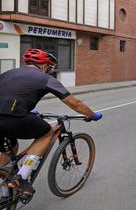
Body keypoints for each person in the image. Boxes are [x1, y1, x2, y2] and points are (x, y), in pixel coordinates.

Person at [0, 49, 102, 197]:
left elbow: (13, 93)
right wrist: (91, 114)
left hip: (8, 114)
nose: (50, 71)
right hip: (14, 115)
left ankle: (5, 193)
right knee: (46, 132)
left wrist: (27, 108)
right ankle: (21, 178)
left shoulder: (8, 73)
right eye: (50, 68)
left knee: (9, 148)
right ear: (44, 66)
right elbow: (74, 103)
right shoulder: (44, 78)